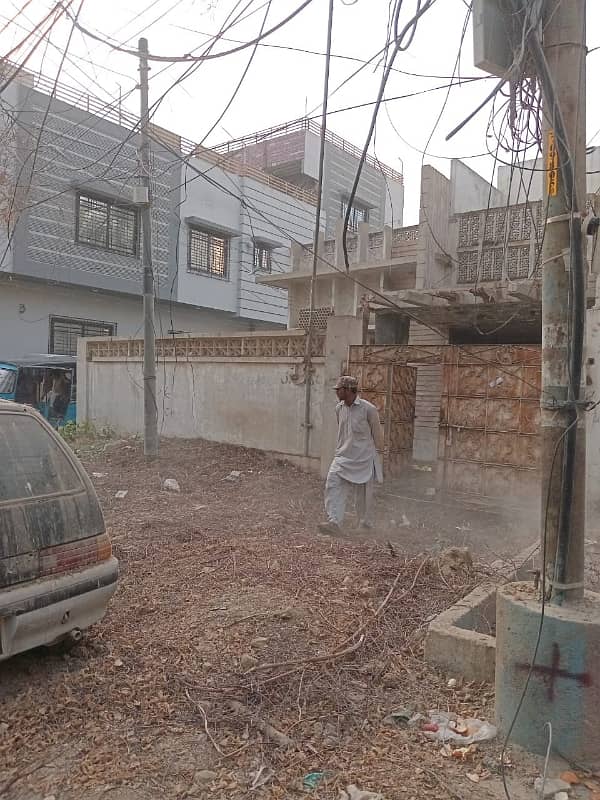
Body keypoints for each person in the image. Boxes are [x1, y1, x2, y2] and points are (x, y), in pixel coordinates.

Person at [319, 375, 384, 534]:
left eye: (339, 389)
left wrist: (378, 458)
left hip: (363, 459)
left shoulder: (368, 409)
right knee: (332, 485)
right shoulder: (339, 408)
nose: (336, 392)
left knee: (362, 496)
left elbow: (378, 436)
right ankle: (334, 522)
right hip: (342, 457)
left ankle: (364, 523)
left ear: (348, 390)